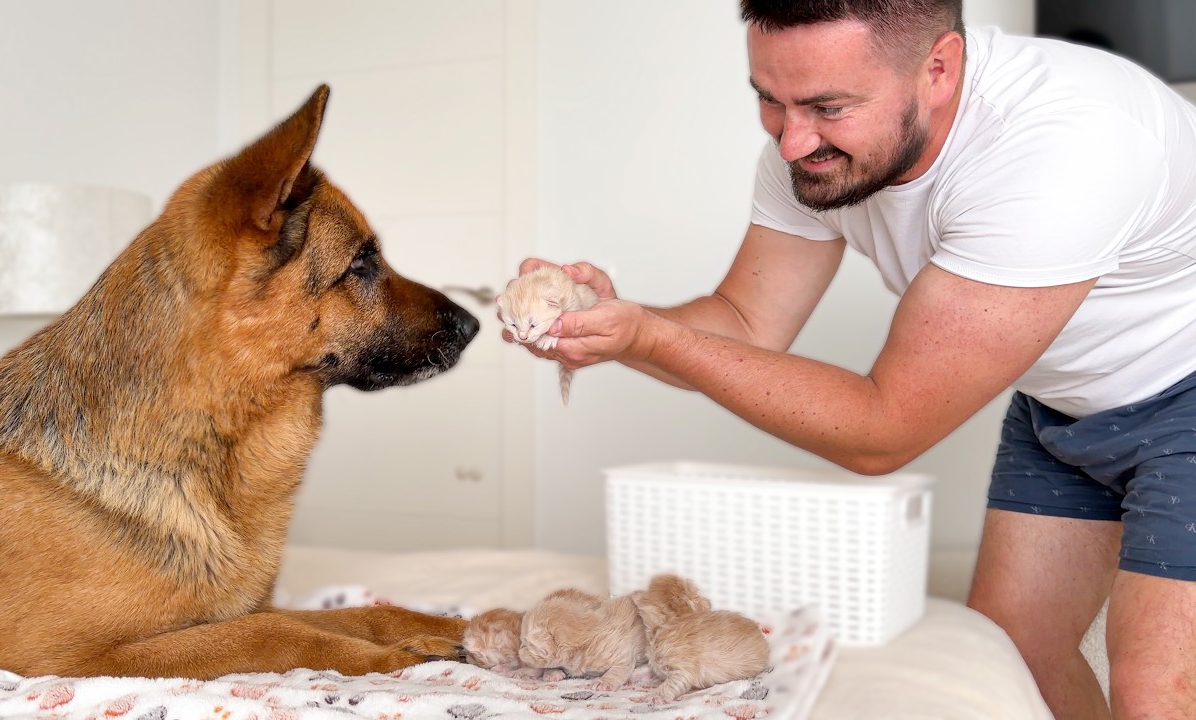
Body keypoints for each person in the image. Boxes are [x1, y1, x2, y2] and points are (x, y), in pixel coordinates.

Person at [507, 2, 1196, 718]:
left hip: (1187, 388)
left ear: (939, 68)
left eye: (827, 107)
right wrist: (618, 327)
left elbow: (883, 431)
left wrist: (652, 337)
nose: (792, 141)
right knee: (1013, 656)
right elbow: (743, 324)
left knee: (1153, 692)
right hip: (1063, 398)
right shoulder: (809, 153)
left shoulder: (1064, 148)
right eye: (768, 100)